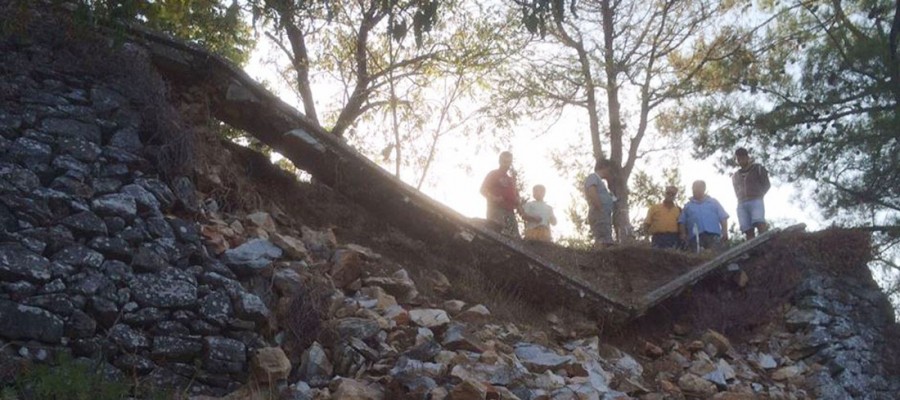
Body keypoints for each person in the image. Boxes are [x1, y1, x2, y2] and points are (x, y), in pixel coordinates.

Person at [480, 151, 526, 237]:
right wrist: (493, 198)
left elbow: (515, 196)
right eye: (505, 162)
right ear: (500, 161)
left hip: (510, 213)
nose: (507, 165)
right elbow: (483, 190)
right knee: (497, 235)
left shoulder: (511, 179)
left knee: (514, 238)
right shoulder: (493, 174)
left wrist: (519, 206)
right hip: (496, 210)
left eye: (509, 162)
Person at [678, 180, 729, 251]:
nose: (696, 189)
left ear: (704, 189)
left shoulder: (713, 202)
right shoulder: (687, 206)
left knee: (716, 257)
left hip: (714, 235)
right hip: (695, 238)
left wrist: (725, 232)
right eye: (694, 188)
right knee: (698, 260)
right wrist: (683, 234)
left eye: (699, 187)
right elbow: (682, 221)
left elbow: (723, 217)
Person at [732, 147, 771, 239]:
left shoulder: (758, 168)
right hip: (741, 203)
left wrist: (759, 194)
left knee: (759, 222)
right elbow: (735, 189)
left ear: (747, 157)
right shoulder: (735, 175)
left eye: (742, 158)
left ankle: (766, 243)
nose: (740, 161)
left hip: (755, 200)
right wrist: (739, 197)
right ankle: (753, 250)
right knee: (746, 228)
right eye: (738, 159)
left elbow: (766, 184)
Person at [584, 159, 616, 247]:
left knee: (606, 238)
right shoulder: (593, 177)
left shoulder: (602, 183)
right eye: (609, 170)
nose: (610, 173)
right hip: (599, 213)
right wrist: (600, 208)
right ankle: (601, 256)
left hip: (604, 215)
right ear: (604, 167)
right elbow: (592, 191)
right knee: (602, 239)